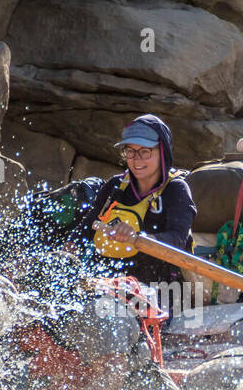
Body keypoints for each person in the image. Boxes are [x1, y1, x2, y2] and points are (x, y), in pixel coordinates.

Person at [82, 114, 197, 293]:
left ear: (163, 152)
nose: (136, 159)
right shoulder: (115, 185)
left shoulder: (176, 190)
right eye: (130, 151)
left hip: (156, 290)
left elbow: (178, 240)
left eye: (145, 151)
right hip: (105, 281)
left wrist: (137, 237)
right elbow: (85, 229)